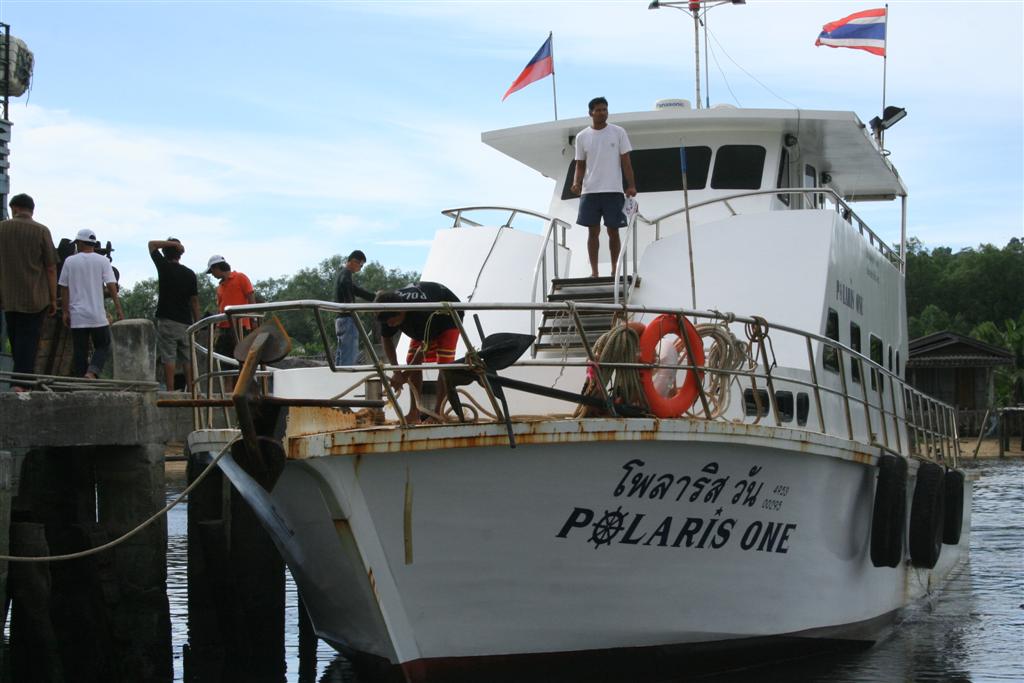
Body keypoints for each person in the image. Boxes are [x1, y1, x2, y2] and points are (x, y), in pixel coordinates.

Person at [376, 282, 463, 423]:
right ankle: (414, 413)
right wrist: (397, 371)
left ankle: (437, 414)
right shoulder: (387, 311)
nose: (390, 326)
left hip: (447, 317)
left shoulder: (421, 314)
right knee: (411, 360)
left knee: (445, 366)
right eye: (388, 324)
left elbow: (424, 346)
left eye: (393, 322)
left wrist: (404, 376)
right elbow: (386, 339)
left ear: (402, 313)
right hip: (422, 325)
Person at [570, 96, 637, 278]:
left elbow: (626, 162)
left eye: (605, 109)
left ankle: (615, 269)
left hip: (613, 190)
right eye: (598, 110)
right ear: (590, 113)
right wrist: (577, 183)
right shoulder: (582, 136)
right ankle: (594, 272)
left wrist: (630, 185)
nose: (602, 113)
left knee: (613, 231)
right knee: (593, 232)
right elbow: (580, 164)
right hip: (590, 191)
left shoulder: (618, 132)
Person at [0, 193, 57, 391]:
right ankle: (20, 384)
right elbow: (50, 267)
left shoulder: (2, 229)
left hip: (8, 296)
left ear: (14, 208)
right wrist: (53, 298)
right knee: (29, 342)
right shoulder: (41, 231)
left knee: (16, 339)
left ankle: (22, 382)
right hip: (36, 297)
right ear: (31, 210)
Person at [58, 228, 124, 378]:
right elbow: (111, 286)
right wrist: (118, 308)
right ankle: (92, 372)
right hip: (97, 315)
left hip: (77, 315)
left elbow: (64, 287)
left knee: (79, 350)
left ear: (80, 243)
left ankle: (82, 379)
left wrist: (66, 311)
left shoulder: (70, 261)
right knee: (103, 344)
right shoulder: (103, 261)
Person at [149, 238, 200, 391]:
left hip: (167, 320)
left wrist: (172, 244)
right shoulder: (190, 274)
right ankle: (192, 390)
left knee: (168, 357)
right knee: (187, 357)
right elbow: (194, 302)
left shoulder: (163, 267)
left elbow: (151, 245)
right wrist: (197, 323)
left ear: (164, 253)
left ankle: (170, 391)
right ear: (180, 255)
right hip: (186, 321)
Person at [206, 255, 255, 362]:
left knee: (242, 360)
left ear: (217, 267)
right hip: (223, 329)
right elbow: (221, 308)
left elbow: (251, 299)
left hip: (240, 326)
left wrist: (253, 320)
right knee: (225, 361)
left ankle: (242, 379)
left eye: (212, 271)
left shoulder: (240, 277)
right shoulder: (219, 287)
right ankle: (228, 379)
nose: (212, 275)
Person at [334, 249, 374, 366]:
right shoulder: (346, 274)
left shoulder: (342, 274)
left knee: (342, 353)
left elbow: (357, 291)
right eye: (361, 266)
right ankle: (346, 380)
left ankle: (338, 379)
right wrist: (351, 306)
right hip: (347, 318)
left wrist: (376, 297)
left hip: (340, 319)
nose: (360, 269)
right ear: (354, 261)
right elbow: (348, 286)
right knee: (349, 356)